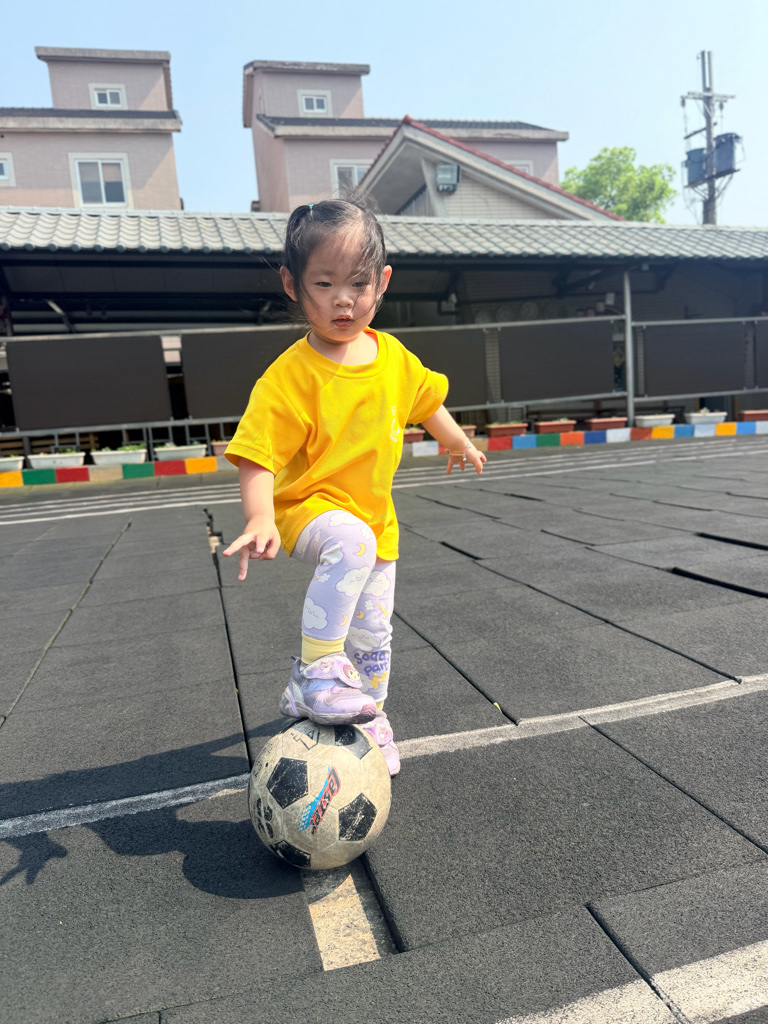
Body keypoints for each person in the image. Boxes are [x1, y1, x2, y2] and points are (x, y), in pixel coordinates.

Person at [222, 197, 486, 775]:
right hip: (309, 510)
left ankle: (370, 716)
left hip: (375, 522)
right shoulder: (290, 377)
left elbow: (426, 402)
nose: (344, 300)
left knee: (373, 633)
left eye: (359, 284)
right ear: (292, 284)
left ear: (382, 282)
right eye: (324, 284)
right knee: (351, 543)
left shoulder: (393, 357)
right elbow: (257, 453)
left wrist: (457, 441)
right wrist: (260, 516)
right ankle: (314, 671)